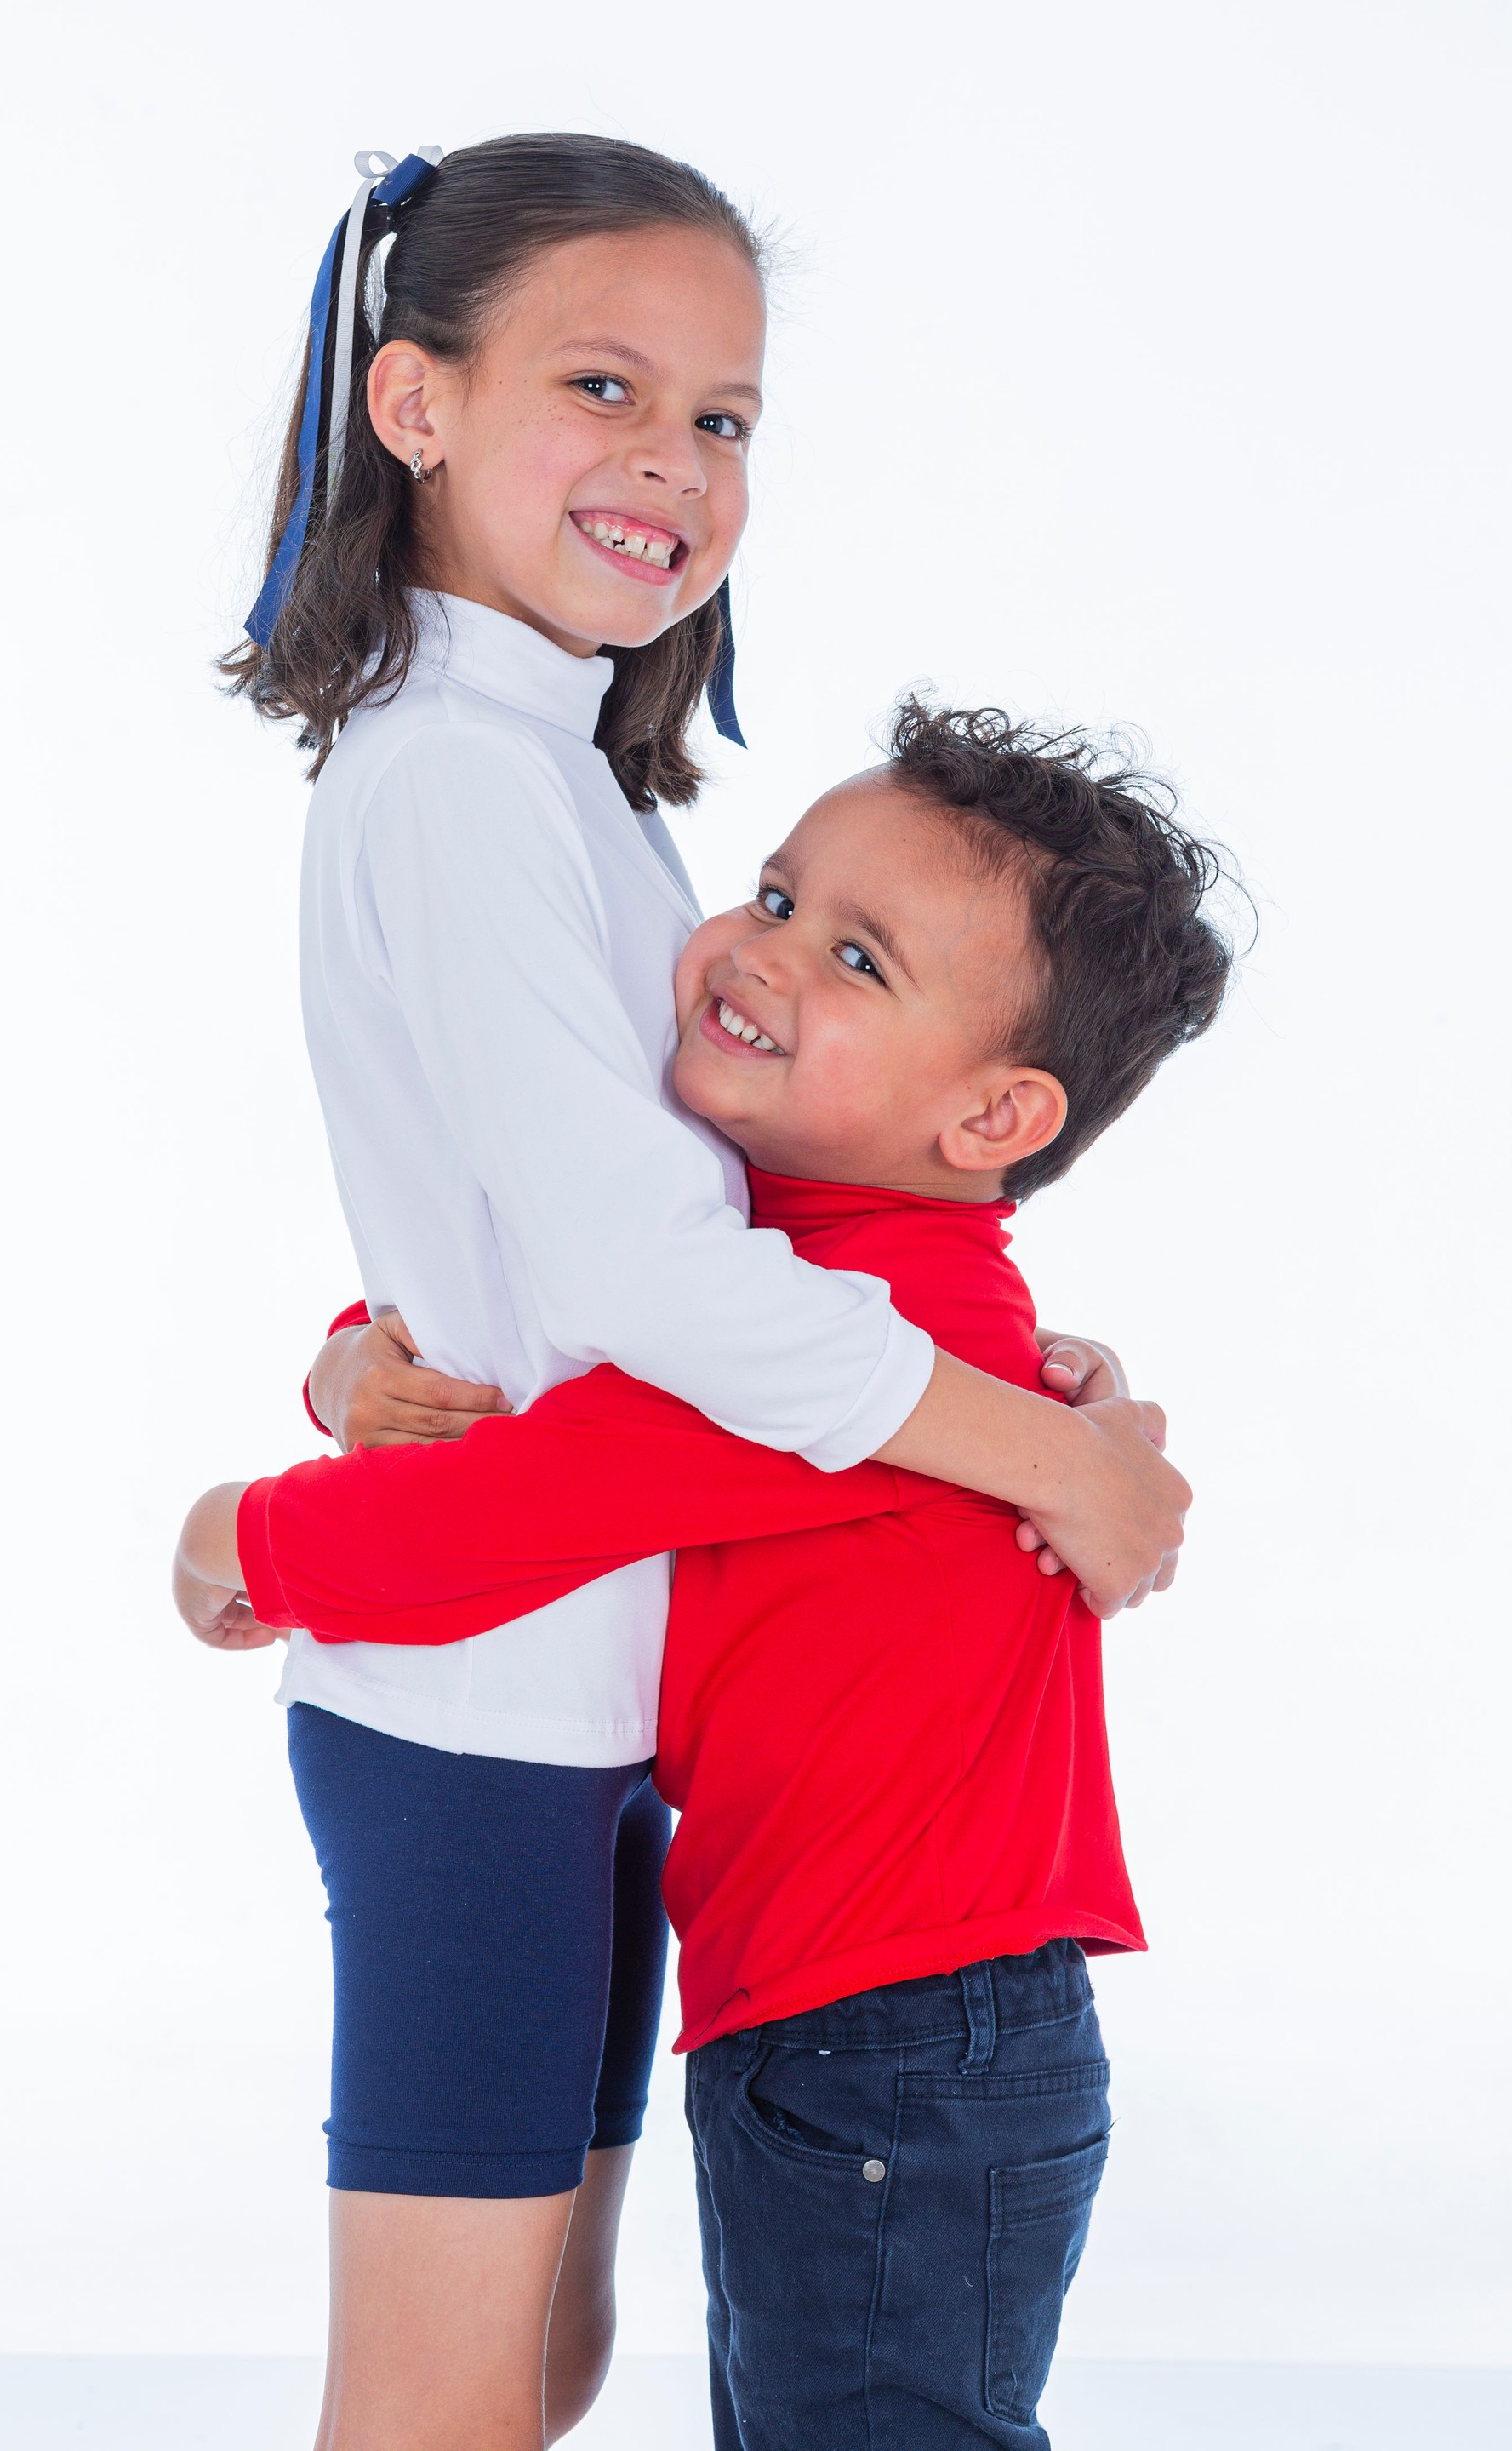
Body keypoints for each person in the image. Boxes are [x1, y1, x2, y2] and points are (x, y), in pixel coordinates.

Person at [204, 128, 1187, 2450]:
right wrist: (1048, 1455)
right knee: (448, 2398)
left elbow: (597, 1220)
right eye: (604, 390)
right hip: (478, 1723)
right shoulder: (458, 774)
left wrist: (365, 1353)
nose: (672, 464)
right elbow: (665, 1290)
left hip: (589, 1717)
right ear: (415, 402)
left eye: (721, 418)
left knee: (539, 2362)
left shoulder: (557, 773)